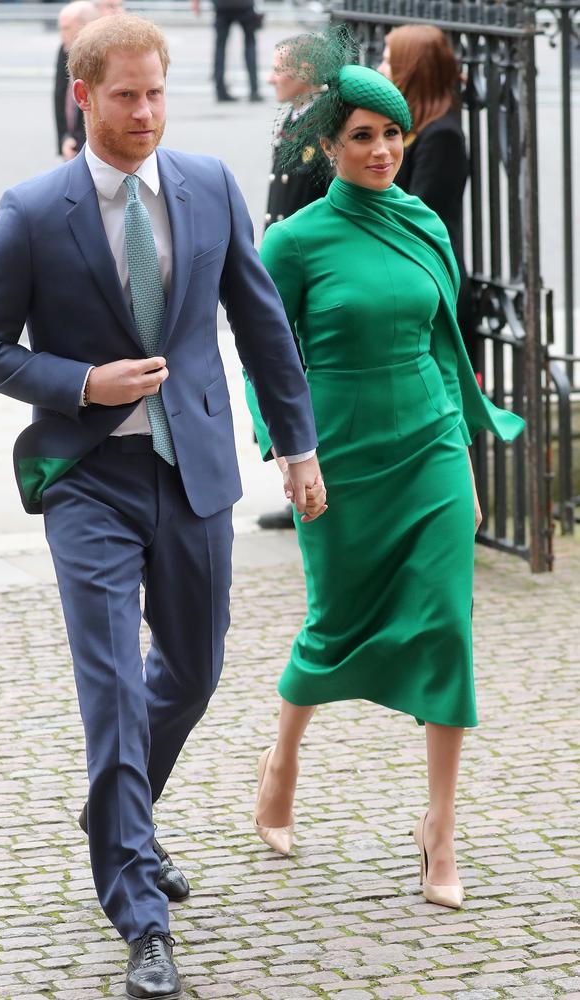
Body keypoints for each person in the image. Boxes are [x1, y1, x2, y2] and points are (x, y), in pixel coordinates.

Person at [0, 14, 326, 998]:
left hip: (195, 474)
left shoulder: (207, 186)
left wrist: (296, 445)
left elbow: (259, 319)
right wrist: (84, 380)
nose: (145, 113)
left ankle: (115, 817)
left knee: (193, 671)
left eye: (156, 92)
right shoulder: (33, 209)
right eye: (125, 95)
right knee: (113, 687)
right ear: (84, 97)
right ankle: (140, 913)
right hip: (89, 481)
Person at [245, 52, 524, 909]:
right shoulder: (294, 242)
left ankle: (440, 829)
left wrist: (467, 464)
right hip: (341, 456)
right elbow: (265, 358)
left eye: (394, 133)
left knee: (447, 624)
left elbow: (447, 349)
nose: (382, 150)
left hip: (430, 445)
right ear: (328, 146)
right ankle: (283, 756)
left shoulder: (424, 226)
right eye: (362, 136)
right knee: (334, 624)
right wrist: (291, 454)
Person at [258, 33, 333, 530]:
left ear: (307, 71)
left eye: (281, 68)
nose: (271, 78)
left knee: (297, 371)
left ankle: (307, 484)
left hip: (306, 264)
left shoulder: (321, 122)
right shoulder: (293, 117)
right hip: (284, 257)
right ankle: (297, 482)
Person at [378, 25, 478, 371]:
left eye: (389, 61)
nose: (381, 69)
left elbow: (419, 216)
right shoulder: (411, 128)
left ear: (412, 68)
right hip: (409, 279)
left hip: (433, 286)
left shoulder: (443, 136)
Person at [192, 0, 263, 102]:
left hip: (222, 5)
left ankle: (220, 90)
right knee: (250, 44)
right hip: (245, 5)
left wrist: (195, 3)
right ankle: (254, 90)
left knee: (220, 47)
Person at [54, 0, 97, 161]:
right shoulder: (64, 49)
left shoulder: (101, 56)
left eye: (66, 28)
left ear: (83, 27)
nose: (61, 34)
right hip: (71, 145)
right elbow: (59, 97)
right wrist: (64, 138)